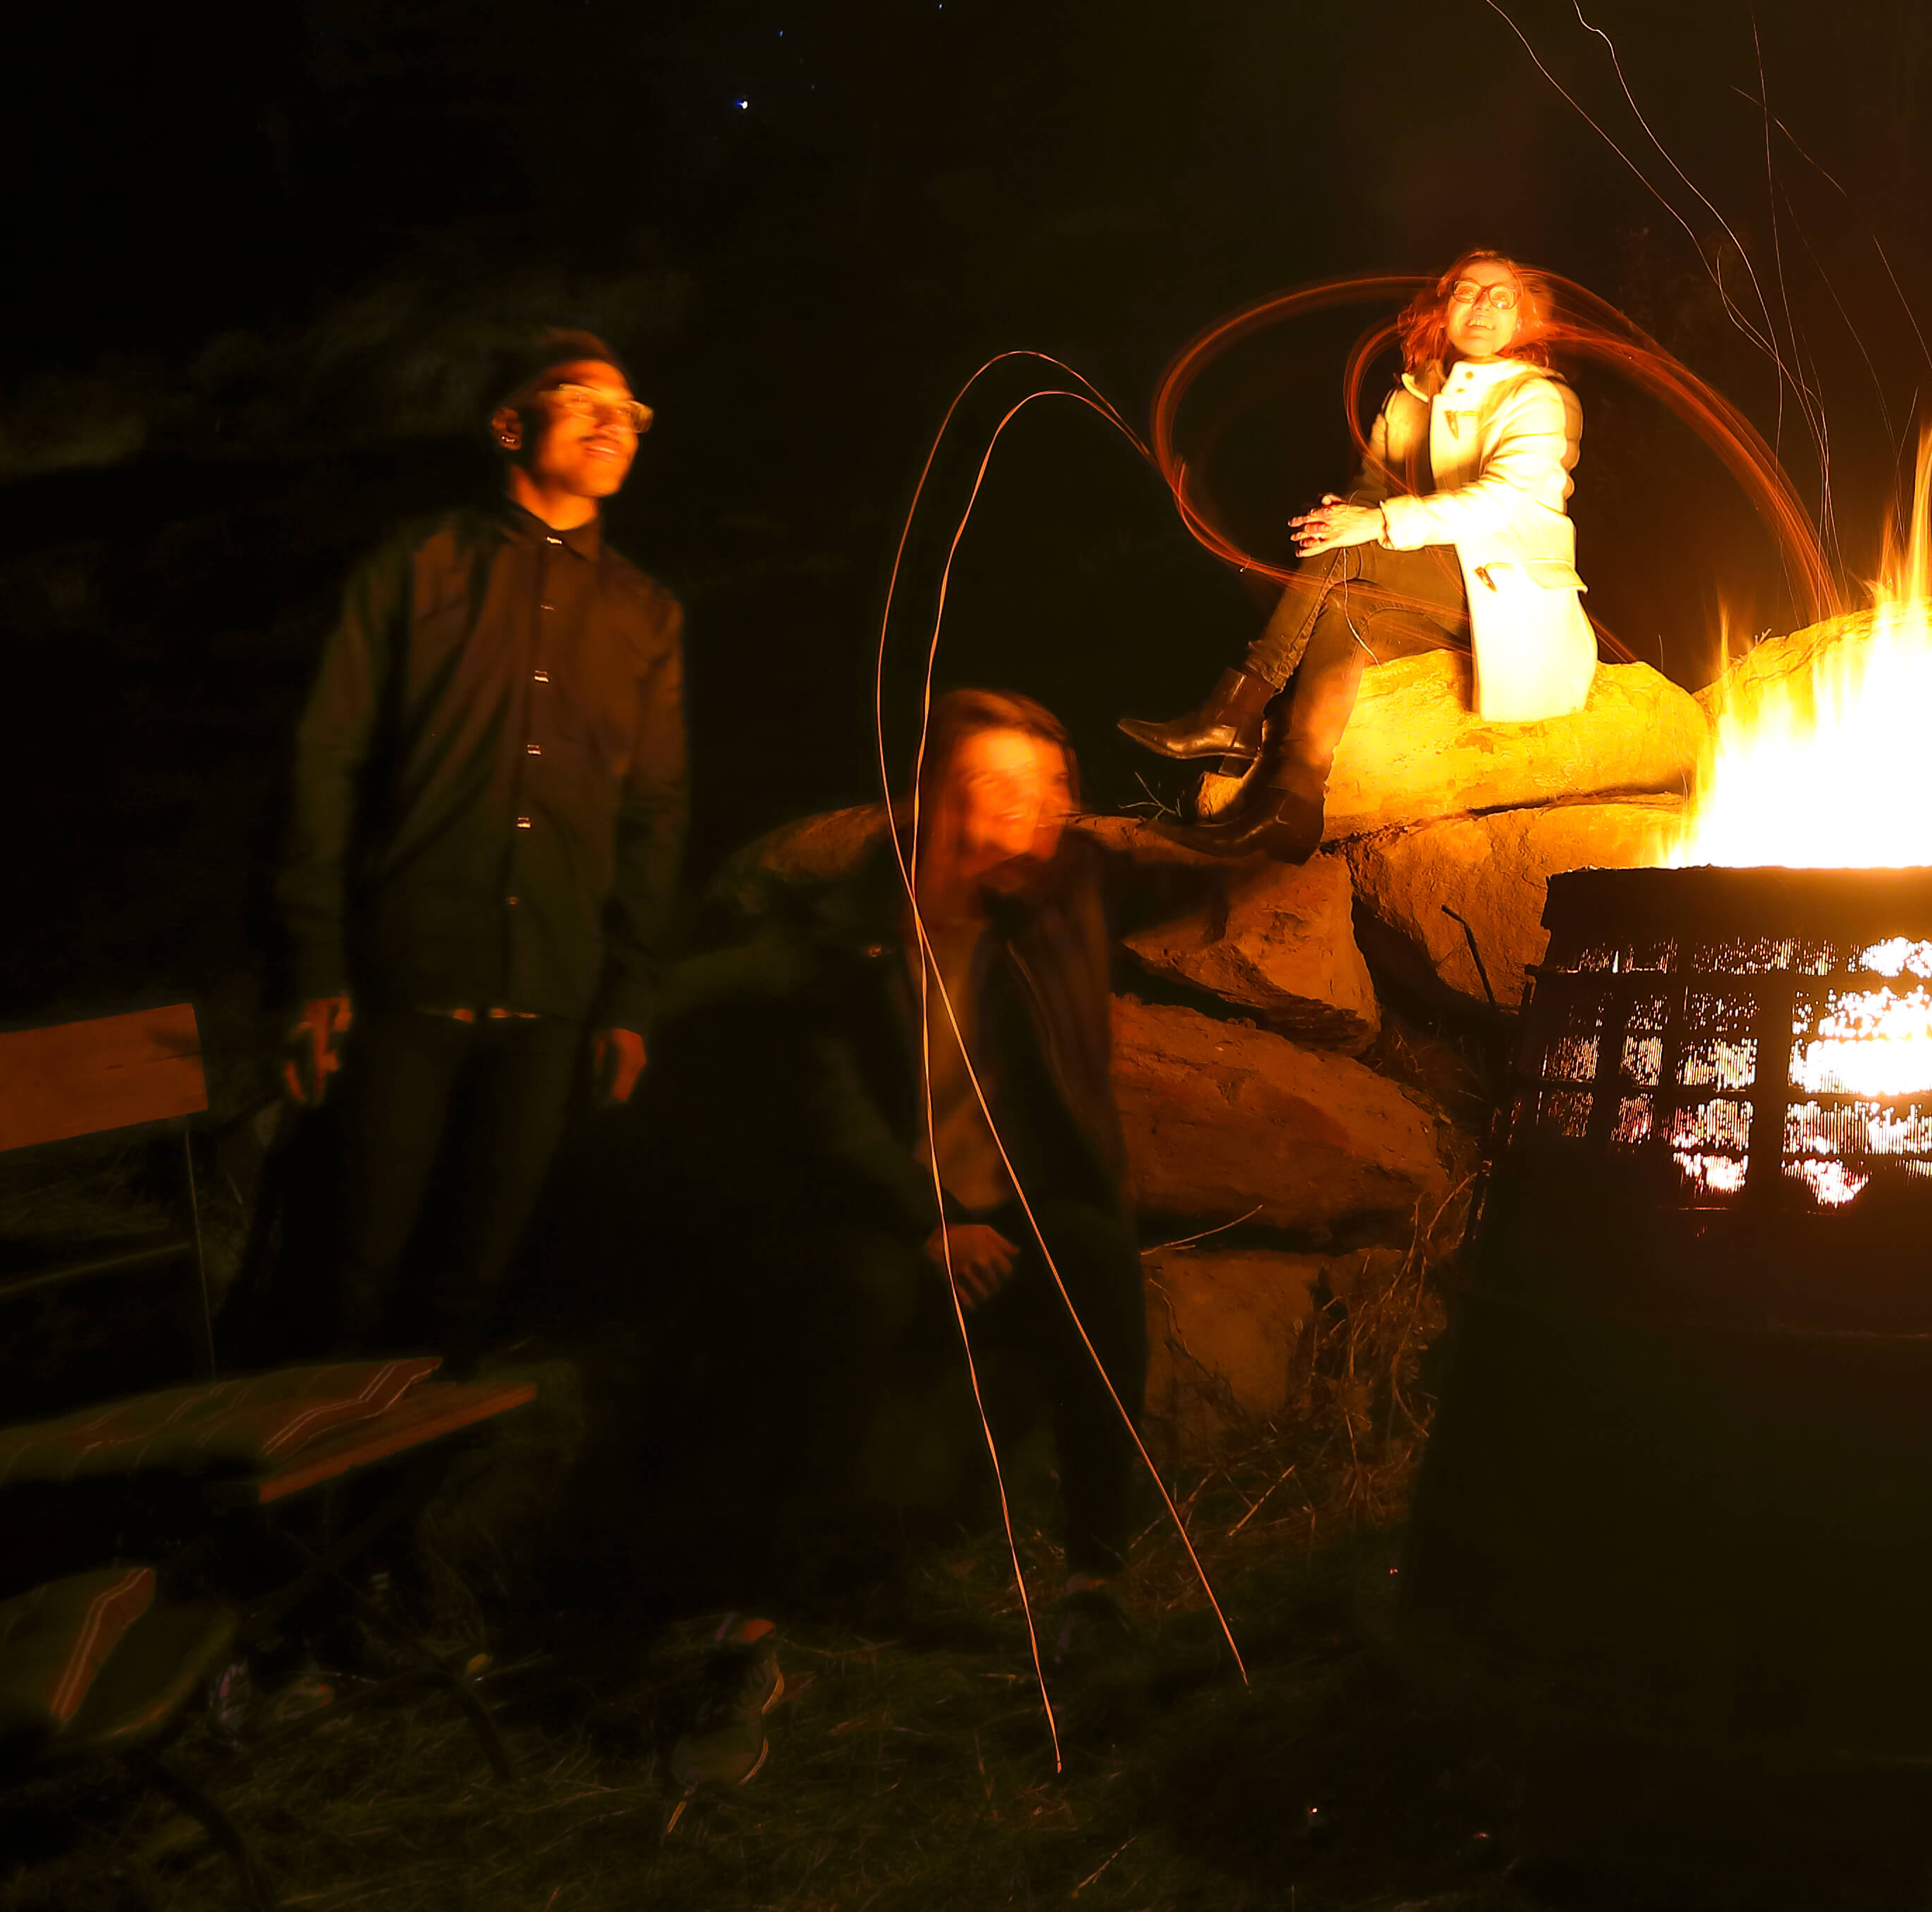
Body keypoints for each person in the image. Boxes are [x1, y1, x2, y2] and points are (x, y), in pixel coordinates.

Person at [626, 693, 1199, 1621]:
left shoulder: (1065, 902)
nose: (1040, 806)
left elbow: (1226, 858)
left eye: (1052, 785)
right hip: (894, 1206)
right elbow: (836, 1106)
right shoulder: (858, 935)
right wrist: (929, 1218)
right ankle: (759, 1598)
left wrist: (1292, 771)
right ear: (937, 799)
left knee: (1093, 1254)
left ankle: (1096, 1575)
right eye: (1003, 786)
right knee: (856, 1297)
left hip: (1023, 1200)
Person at [272, 330, 685, 1363]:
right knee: (348, 1267)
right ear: (511, 423)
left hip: (550, 998)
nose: (610, 421)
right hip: (407, 981)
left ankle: (395, 1520)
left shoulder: (645, 613)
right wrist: (313, 964)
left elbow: (655, 813)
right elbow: (324, 763)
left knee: (473, 1281)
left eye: (628, 411)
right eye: (577, 398)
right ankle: (291, 1501)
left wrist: (630, 995)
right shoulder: (418, 568)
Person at [1119, 248, 1596, 860]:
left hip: (1501, 596)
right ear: (1441, 309)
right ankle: (1292, 801)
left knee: (1349, 550)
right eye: (1466, 292)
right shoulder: (1408, 398)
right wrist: (1340, 516)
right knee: (1347, 602)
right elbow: (1370, 488)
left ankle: (1237, 704)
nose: (1482, 307)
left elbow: (1498, 502)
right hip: (1420, 590)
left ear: (1525, 320)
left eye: (1502, 298)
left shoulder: (1538, 399)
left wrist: (1369, 522)